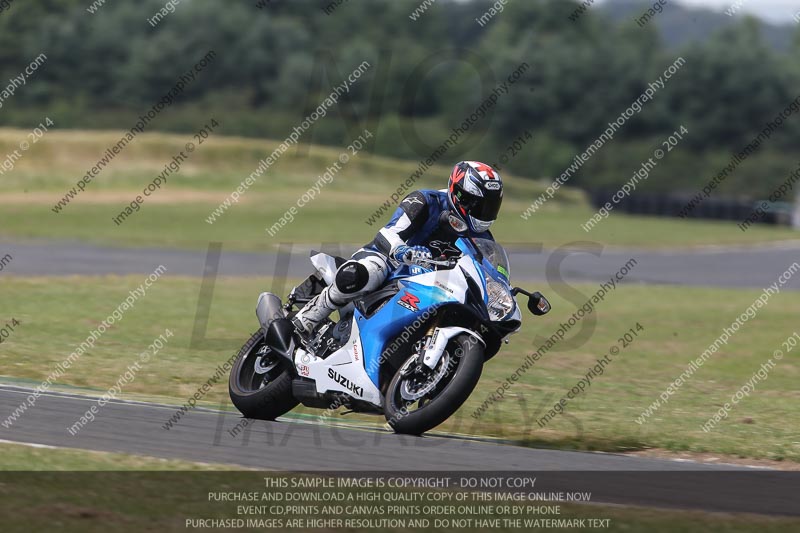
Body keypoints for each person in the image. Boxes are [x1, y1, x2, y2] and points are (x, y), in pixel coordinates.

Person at [292, 160, 504, 338]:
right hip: (390, 263)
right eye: (478, 205)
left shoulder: (483, 238)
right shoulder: (425, 201)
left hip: (432, 286)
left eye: (490, 206)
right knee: (370, 271)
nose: (484, 212)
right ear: (460, 195)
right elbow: (387, 233)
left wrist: (503, 292)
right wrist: (402, 251)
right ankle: (305, 321)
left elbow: (487, 274)